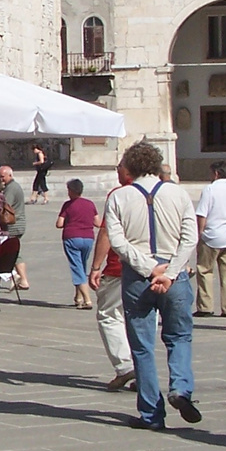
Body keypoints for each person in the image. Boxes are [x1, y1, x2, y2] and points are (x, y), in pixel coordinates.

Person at [105, 141, 201, 429]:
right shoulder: (178, 193)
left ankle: (151, 414)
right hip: (174, 273)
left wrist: (149, 268)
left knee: (142, 346)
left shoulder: (119, 197)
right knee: (179, 336)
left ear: (130, 167)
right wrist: (170, 272)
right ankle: (181, 388)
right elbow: (190, 238)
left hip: (137, 276)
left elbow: (118, 241)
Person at [89, 164, 137, 392]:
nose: (117, 171)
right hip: (155, 269)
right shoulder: (163, 192)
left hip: (120, 267)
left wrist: (96, 266)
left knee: (109, 315)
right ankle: (143, 370)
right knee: (143, 319)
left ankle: (125, 365)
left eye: (120, 167)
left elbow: (107, 232)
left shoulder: (120, 195)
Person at [194, 161, 226, 318]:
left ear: (216, 173)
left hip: (211, 236)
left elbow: (202, 213)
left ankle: (205, 306)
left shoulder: (209, 190)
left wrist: (199, 234)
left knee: (205, 270)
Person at [55, 179, 99, 307]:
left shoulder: (68, 205)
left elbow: (59, 224)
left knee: (76, 267)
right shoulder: (90, 204)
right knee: (82, 265)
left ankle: (87, 299)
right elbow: (97, 222)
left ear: (71, 191)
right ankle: (78, 297)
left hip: (72, 237)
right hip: (88, 238)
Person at [0, 165, 30, 290]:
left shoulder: (11, 189)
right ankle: (20, 279)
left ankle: (17, 277)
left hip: (13, 225)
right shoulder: (13, 186)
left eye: (2, 177)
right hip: (18, 223)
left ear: (10, 175)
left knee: (11, 252)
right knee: (15, 252)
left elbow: (6, 205)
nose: (1, 179)